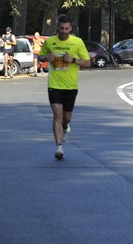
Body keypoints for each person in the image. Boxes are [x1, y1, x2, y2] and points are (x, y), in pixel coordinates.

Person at [39, 15, 91, 160]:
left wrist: (73, 60)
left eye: (66, 28)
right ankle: (59, 147)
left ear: (71, 28)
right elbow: (40, 57)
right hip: (54, 84)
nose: (64, 31)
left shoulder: (77, 42)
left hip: (71, 85)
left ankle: (66, 126)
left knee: (66, 117)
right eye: (61, 28)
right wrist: (45, 58)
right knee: (57, 114)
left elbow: (87, 62)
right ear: (57, 28)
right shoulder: (50, 42)